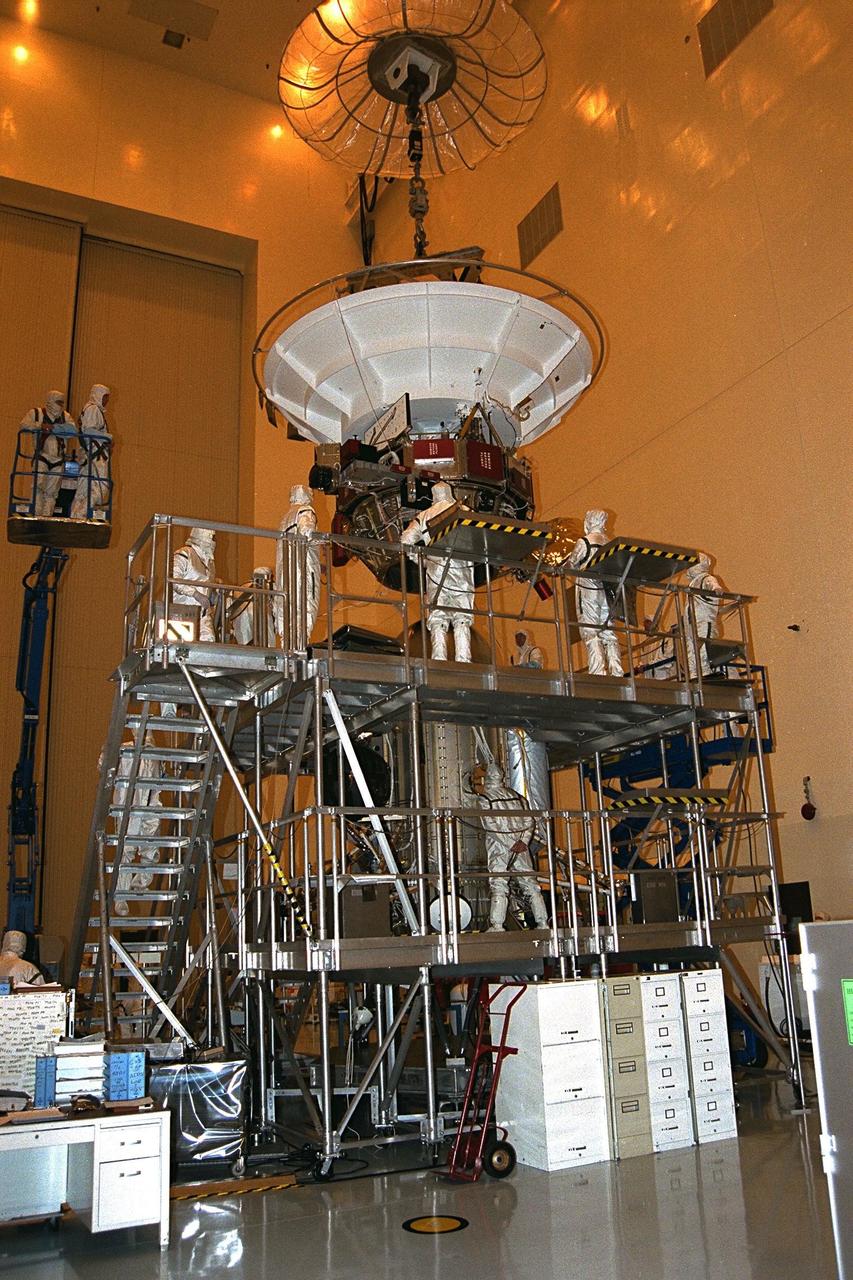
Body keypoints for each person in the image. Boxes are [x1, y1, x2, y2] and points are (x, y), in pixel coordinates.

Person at [467, 762, 549, 931]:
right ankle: (542, 923)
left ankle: (497, 924)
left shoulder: (485, 799)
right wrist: (522, 842)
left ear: (487, 779)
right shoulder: (518, 797)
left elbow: (490, 826)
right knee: (531, 884)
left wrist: (510, 843)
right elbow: (529, 821)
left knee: (499, 882)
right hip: (521, 847)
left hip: (500, 847)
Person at [401, 481, 475, 662]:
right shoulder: (465, 511)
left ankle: (439, 659)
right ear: (450, 493)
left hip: (435, 573)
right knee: (462, 617)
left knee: (438, 618)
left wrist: (421, 561)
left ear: (434, 496)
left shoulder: (424, 516)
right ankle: (463, 660)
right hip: (462, 571)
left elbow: (405, 540)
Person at [110, 730, 162, 917]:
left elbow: (160, 776)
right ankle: (121, 896)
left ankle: (140, 882)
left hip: (150, 804)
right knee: (126, 851)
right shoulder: (124, 749)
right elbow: (104, 765)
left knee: (151, 848)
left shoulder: (155, 753)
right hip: (128, 806)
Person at [567, 509, 624, 676]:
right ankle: (616, 669)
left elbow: (572, 564)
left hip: (588, 591)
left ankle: (597, 670)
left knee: (590, 631)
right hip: (606, 591)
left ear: (588, 522)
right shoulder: (610, 543)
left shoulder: (584, 542)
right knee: (608, 631)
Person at [275, 485, 321, 649]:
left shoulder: (286, 517)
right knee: (305, 610)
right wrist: (324, 540)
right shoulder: (305, 510)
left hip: (285, 573)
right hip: (303, 570)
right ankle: (299, 649)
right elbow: (308, 531)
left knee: (286, 612)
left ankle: (286, 647)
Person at [20, 390, 78, 517]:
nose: (60, 405)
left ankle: (46, 516)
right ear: (50, 400)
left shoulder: (65, 417)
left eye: (62, 403)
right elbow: (24, 425)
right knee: (38, 486)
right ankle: (36, 513)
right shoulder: (36, 414)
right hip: (42, 456)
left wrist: (53, 428)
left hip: (58, 459)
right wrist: (40, 426)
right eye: (58, 402)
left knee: (52, 492)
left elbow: (73, 430)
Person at [71, 384, 112, 519]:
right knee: (100, 485)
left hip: (90, 453)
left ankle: (76, 516)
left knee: (84, 487)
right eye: (105, 397)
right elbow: (89, 430)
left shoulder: (90, 409)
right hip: (95, 454)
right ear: (98, 395)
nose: (107, 401)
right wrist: (108, 437)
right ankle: (83, 514)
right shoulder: (93, 409)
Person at [172, 527, 217, 642]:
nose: (214, 541)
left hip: (203, 616)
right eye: (212, 537)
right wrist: (196, 594)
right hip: (182, 614)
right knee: (182, 650)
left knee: (208, 649)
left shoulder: (210, 563)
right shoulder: (184, 554)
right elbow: (174, 581)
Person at [684, 553, 723, 678]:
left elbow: (712, 584)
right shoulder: (692, 583)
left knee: (703, 650)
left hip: (704, 622)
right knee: (691, 650)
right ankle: (694, 674)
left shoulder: (705, 578)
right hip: (692, 624)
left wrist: (716, 588)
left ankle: (706, 673)